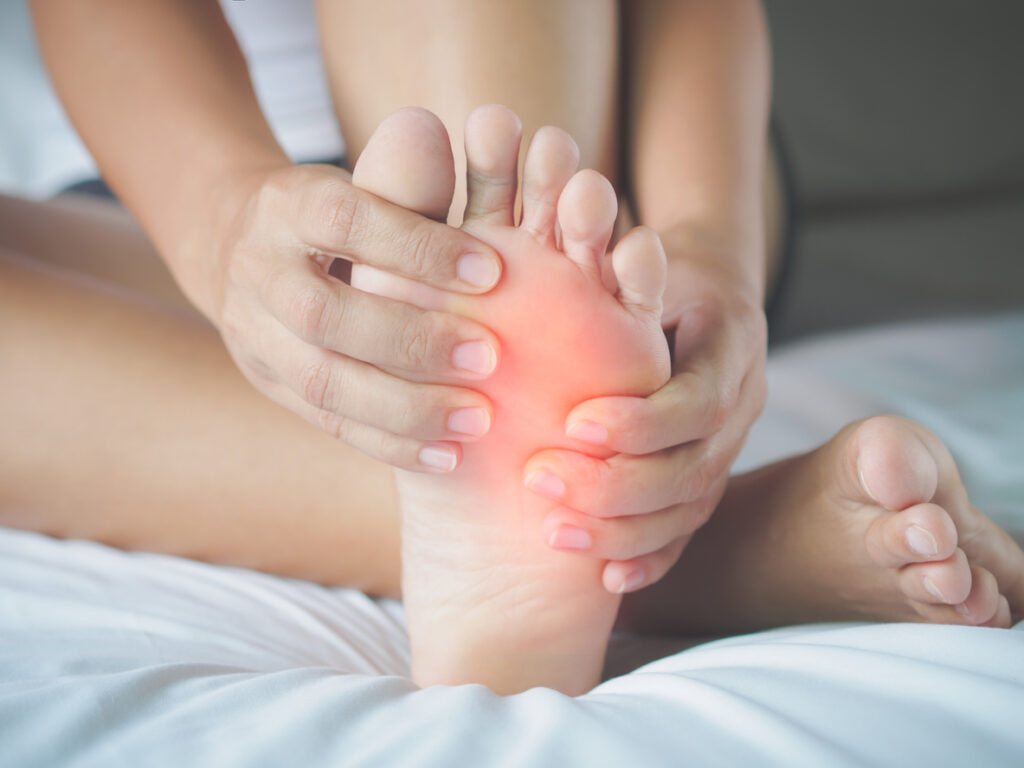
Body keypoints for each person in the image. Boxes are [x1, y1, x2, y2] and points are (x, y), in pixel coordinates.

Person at [27, 0, 775, 595]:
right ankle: (684, 550)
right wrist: (219, 219)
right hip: (187, 183)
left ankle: (525, 452)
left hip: (611, 190)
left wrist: (708, 233)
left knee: (481, 192)